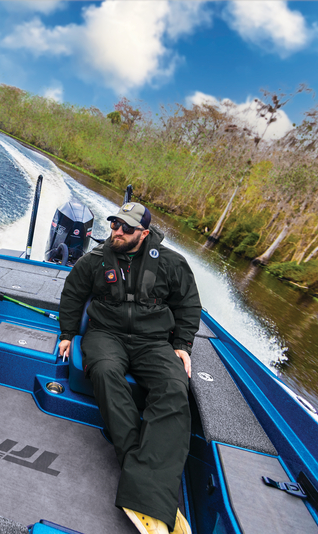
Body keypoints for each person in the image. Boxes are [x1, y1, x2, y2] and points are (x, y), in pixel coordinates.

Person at [58, 202, 201, 534]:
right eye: (115, 225)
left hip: (153, 341)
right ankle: (150, 490)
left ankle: (142, 485)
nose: (117, 232)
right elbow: (72, 296)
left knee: (174, 387)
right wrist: (67, 334)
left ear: (145, 233)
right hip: (105, 334)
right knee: (106, 373)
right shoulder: (93, 260)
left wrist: (182, 343)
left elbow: (188, 303)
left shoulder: (171, 263)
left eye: (126, 228)